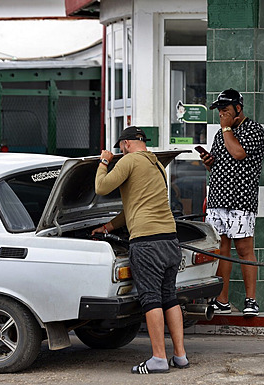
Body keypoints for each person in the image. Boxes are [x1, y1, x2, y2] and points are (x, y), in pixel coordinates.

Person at [91, 126, 189, 374]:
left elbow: (101, 187)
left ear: (125, 144)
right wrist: (108, 226)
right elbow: (133, 207)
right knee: (169, 297)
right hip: (169, 239)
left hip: (147, 242)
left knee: (150, 299)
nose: (119, 150)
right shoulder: (155, 164)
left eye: (119, 147)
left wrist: (104, 161)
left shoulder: (129, 161)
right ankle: (180, 356)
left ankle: (157, 358)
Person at [199, 89, 264, 318]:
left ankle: (251, 300)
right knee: (221, 250)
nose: (222, 116)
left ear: (238, 108)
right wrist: (209, 163)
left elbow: (238, 153)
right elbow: (220, 163)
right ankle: (222, 300)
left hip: (240, 201)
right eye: (219, 113)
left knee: (244, 250)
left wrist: (227, 129)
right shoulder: (220, 135)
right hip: (217, 200)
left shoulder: (254, 130)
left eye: (225, 111)